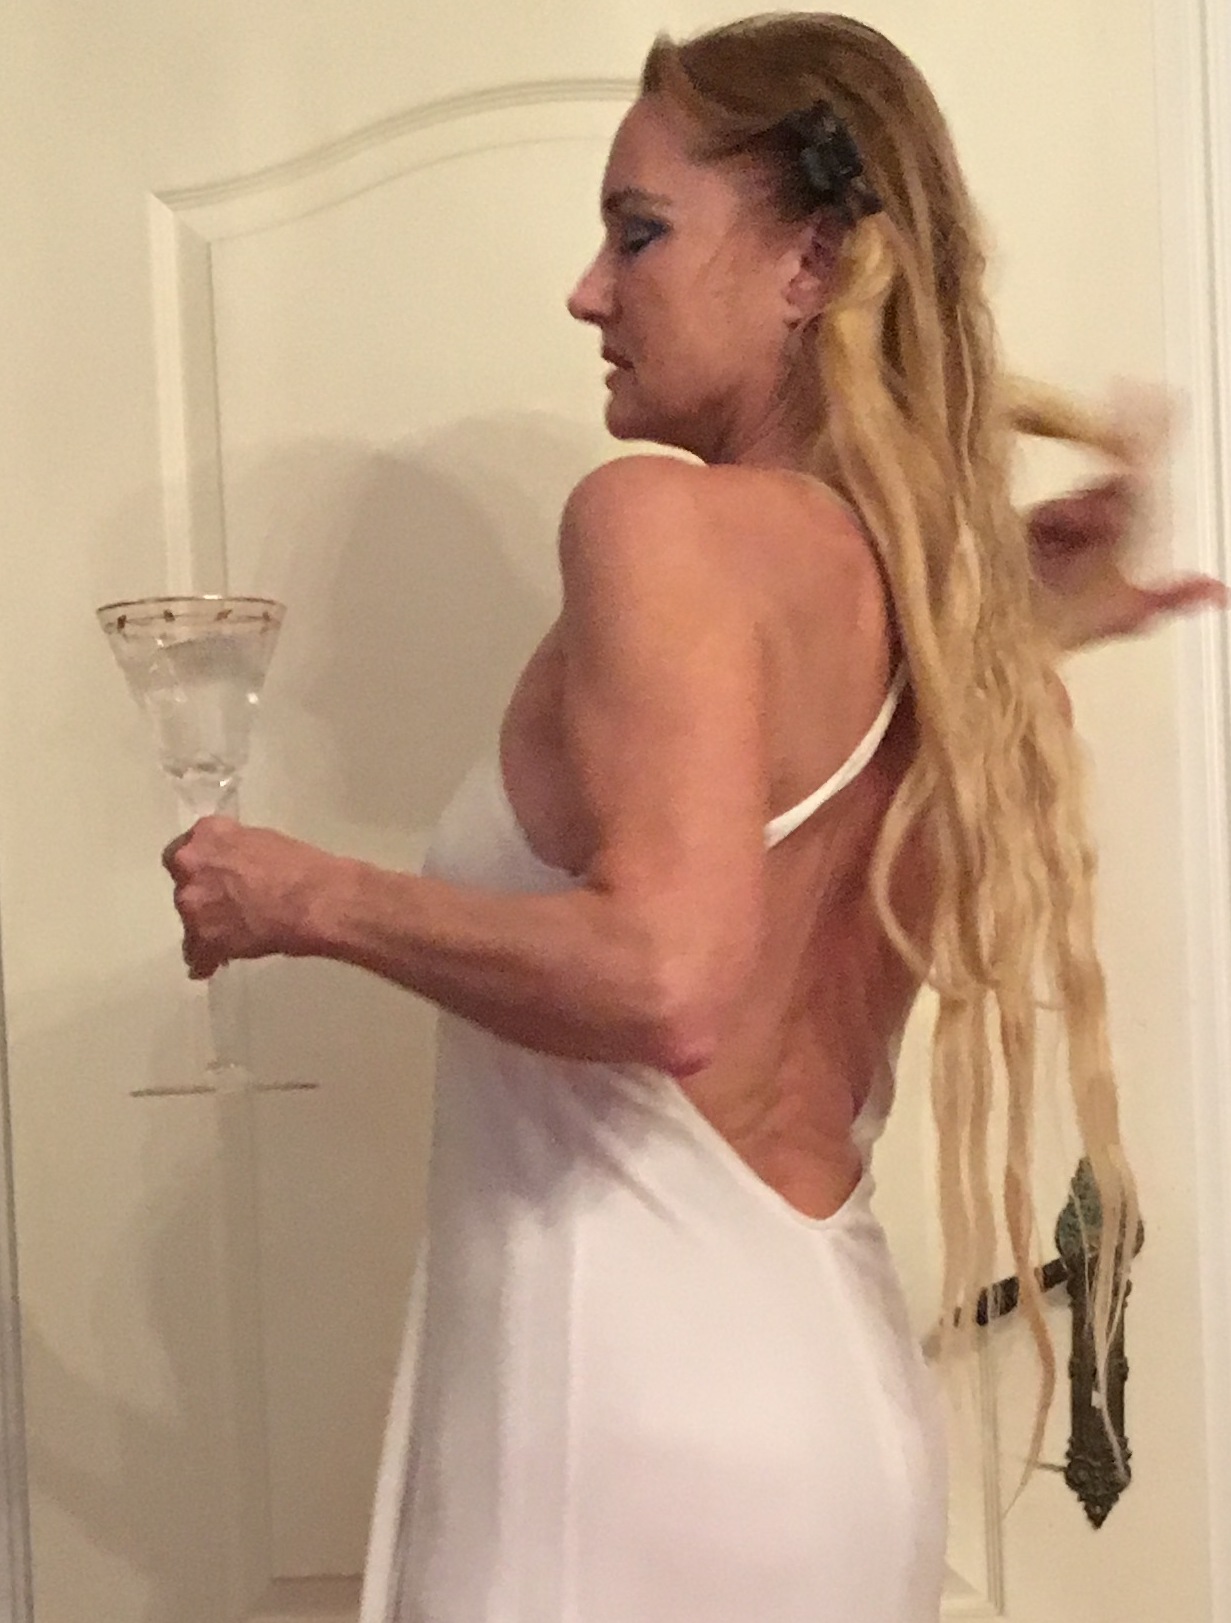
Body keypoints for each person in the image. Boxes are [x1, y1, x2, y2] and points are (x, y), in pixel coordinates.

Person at [162, 13, 1226, 1622]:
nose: (589, 291)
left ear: (811, 263)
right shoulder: (920, 616)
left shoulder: (655, 523)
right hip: (820, 1415)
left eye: (639, 232)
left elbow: (669, 978)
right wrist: (1019, 613)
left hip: (627, 1433)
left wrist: (299, 896)